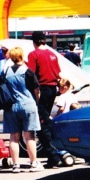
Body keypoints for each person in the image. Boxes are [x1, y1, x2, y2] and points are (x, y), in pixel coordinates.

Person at [0, 46, 42, 173]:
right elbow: (36, 90)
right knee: (29, 136)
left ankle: (16, 165)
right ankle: (33, 163)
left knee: (14, 137)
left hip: (11, 106)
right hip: (27, 104)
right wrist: (36, 102)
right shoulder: (27, 71)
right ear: (22, 56)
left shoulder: (5, 72)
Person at [26, 30, 63, 167]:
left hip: (41, 89)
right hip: (53, 88)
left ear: (33, 42)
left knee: (41, 123)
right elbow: (58, 72)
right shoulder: (52, 54)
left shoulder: (34, 54)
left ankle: (53, 155)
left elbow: (31, 74)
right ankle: (52, 154)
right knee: (45, 119)